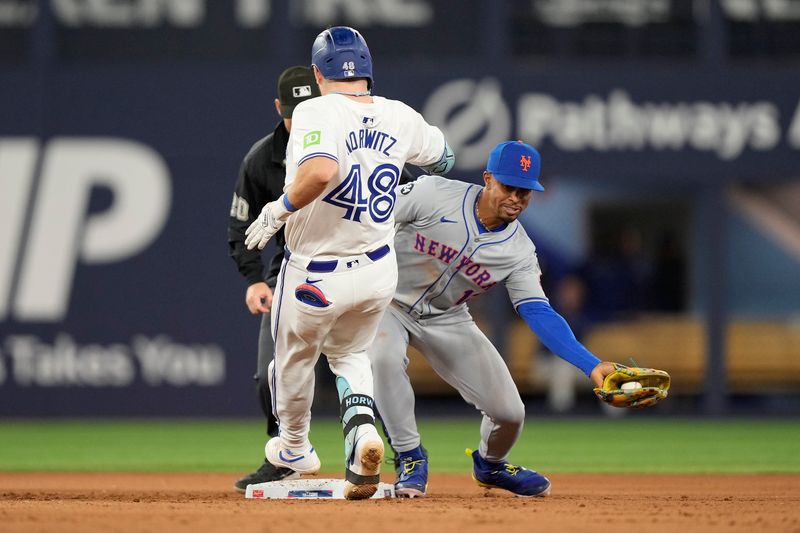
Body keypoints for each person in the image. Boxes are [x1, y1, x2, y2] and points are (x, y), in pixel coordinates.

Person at [244, 26, 454, 500]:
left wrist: (278, 209)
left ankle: (295, 446)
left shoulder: (316, 110)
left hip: (315, 273)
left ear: (318, 73)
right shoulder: (399, 114)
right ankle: (362, 434)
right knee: (350, 355)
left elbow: (321, 171)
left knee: (292, 361)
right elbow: (444, 158)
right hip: (377, 269)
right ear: (367, 71)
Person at [368, 140, 617, 498]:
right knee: (383, 357)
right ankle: (410, 456)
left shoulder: (519, 251)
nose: (516, 197)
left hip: (447, 318)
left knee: (510, 412)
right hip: (387, 302)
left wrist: (590, 364)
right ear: (487, 179)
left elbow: (537, 311)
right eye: (509, 187)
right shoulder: (433, 192)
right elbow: (370, 218)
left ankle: (491, 465)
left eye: (525, 191)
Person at [228, 66, 321, 492]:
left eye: (311, 109)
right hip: (290, 270)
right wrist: (254, 279)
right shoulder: (262, 158)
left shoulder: (351, 145)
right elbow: (240, 226)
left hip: (359, 267)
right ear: (279, 107)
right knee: (270, 373)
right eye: (294, 111)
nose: (302, 119)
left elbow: (402, 192)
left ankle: (402, 459)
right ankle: (284, 455)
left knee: (378, 366)